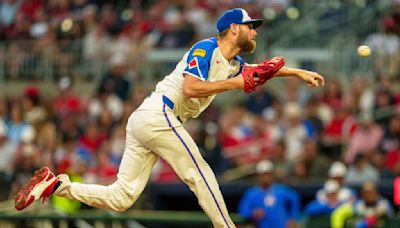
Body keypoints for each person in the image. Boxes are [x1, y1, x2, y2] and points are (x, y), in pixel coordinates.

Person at [14, 8, 324, 227]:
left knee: (122, 197)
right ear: (233, 29)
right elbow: (191, 88)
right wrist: (237, 83)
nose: (254, 31)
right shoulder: (206, 48)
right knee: (199, 172)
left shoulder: (234, 63)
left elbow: (259, 72)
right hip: (158, 115)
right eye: (249, 26)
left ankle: (55, 185)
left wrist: (298, 73)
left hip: (149, 120)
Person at [238, 160, 300, 228]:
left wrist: (292, 218)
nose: (266, 177)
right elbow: (243, 211)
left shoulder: (281, 191)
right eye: (263, 174)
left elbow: (295, 199)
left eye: (268, 174)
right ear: (258, 176)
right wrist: (253, 213)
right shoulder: (252, 193)